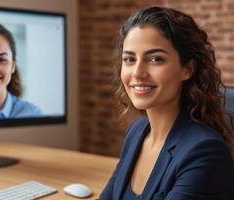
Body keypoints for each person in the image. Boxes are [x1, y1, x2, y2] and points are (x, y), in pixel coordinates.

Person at [100, 6, 234, 200]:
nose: (137, 72)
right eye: (129, 59)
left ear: (187, 69)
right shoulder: (137, 131)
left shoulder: (204, 152)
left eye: (155, 59)